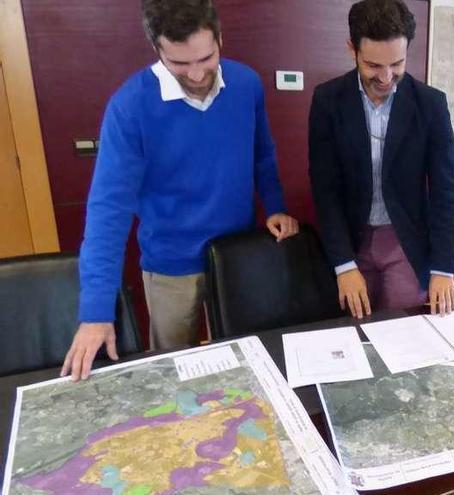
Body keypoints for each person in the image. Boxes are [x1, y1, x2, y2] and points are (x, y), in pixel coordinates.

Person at [62, 0, 298, 381]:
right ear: (157, 50)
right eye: (179, 63)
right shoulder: (130, 107)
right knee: (173, 376)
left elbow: (262, 154)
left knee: (244, 369)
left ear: (220, 38)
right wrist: (95, 312)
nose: (196, 73)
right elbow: (108, 212)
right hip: (170, 267)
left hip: (237, 255)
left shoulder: (246, 84)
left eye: (206, 58)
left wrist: (274, 205)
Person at [308, 0, 454, 319]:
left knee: (409, 331)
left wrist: (443, 268)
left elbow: (447, 192)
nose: (386, 76)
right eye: (374, 65)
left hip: (405, 240)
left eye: (397, 63)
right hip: (353, 239)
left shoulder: (431, 105)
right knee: (356, 331)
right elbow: (326, 190)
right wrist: (344, 265)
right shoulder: (327, 101)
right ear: (352, 49)